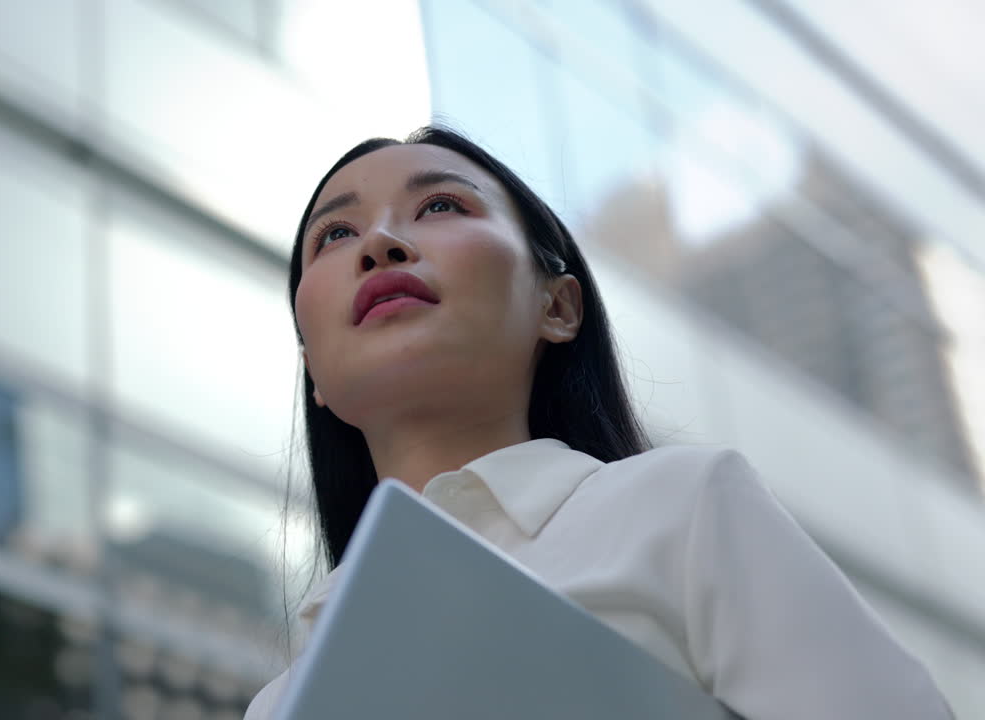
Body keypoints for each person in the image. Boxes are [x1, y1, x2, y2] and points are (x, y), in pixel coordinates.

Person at [244, 126, 952, 719]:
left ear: (558, 307)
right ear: (314, 371)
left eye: (440, 205)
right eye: (335, 233)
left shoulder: (683, 508)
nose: (380, 243)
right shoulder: (277, 704)